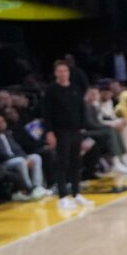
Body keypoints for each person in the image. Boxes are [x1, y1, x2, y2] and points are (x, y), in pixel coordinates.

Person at [42, 59, 95, 211]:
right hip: (60, 131)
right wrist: (50, 132)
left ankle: (77, 193)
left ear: (69, 72)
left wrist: (83, 128)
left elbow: (81, 109)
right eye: (59, 71)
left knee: (76, 161)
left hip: (76, 130)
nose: (62, 73)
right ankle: (63, 196)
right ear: (55, 73)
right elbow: (47, 113)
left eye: (65, 71)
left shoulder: (75, 87)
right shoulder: (51, 89)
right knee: (62, 162)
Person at [0, 115, 49, 200]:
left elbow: (17, 148)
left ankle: (37, 186)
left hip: (16, 158)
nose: (1, 124)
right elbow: (0, 154)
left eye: (3, 121)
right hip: (4, 162)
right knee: (21, 161)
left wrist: (26, 158)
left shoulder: (7, 134)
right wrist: (23, 160)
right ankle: (29, 189)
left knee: (36, 157)